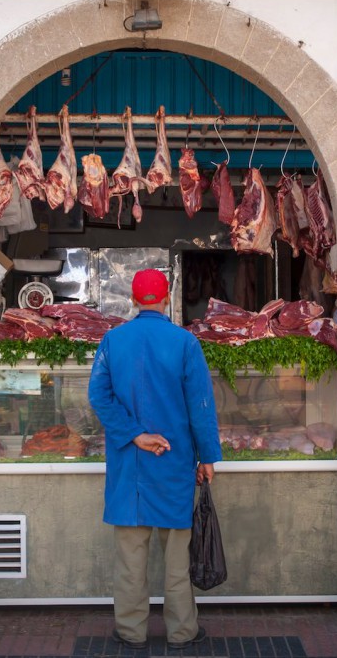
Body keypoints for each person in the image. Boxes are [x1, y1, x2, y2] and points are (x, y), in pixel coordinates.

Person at [88, 269, 222, 650]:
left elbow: (99, 397)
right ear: (166, 299)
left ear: (133, 300)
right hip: (174, 463)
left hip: (130, 466)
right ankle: (183, 633)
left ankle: (131, 632)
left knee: (131, 559)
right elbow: (200, 404)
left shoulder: (113, 341)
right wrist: (208, 457)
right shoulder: (184, 342)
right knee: (178, 560)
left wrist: (135, 435)